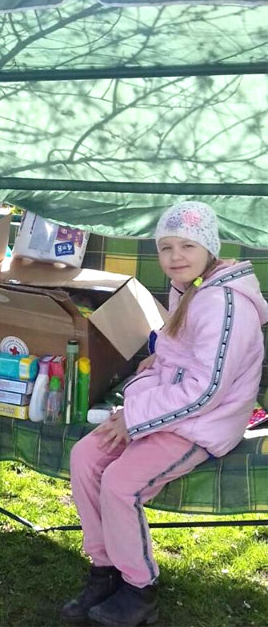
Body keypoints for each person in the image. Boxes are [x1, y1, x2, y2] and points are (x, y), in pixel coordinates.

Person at [61, 201, 268, 626]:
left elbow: (206, 389)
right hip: (168, 407)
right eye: (166, 247)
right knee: (85, 456)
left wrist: (133, 416)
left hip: (204, 422)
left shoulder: (224, 303)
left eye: (187, 246)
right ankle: (105, 569)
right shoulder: (191, 287)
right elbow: (180, 353)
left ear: (210, 248)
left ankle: (139, 589)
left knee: (120, 483)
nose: (175, 257)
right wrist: (154, 365)